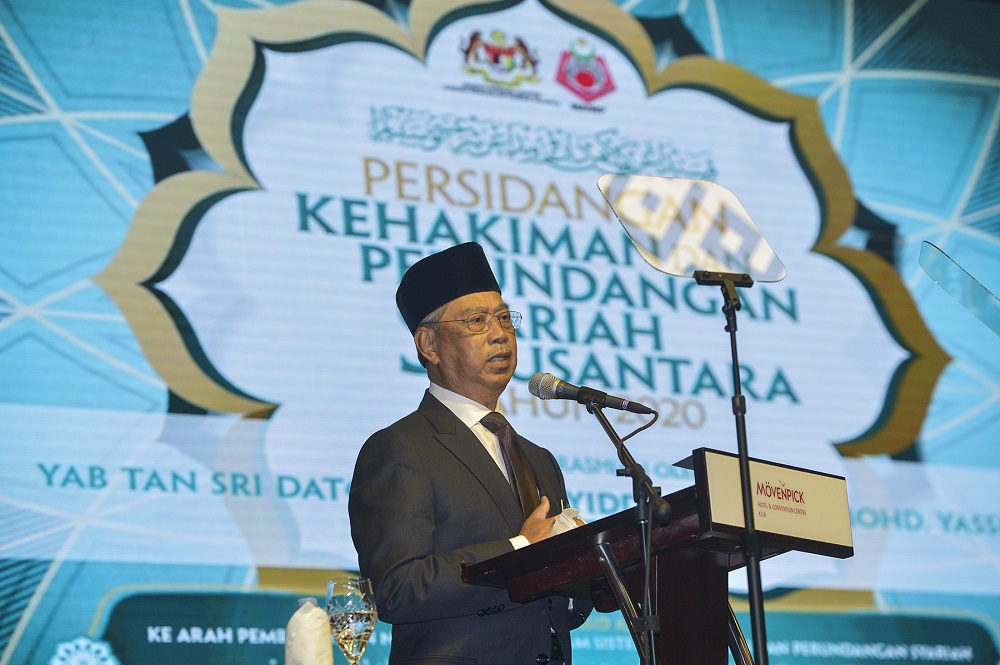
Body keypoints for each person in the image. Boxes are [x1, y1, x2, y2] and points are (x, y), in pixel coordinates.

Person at [349, 242, 592, 665]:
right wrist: (520, 548)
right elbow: (396, 588)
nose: (499, 333)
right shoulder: (400, 448)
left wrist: (581, 569)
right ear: (429, 344)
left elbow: (554, 610)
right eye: (477, 321)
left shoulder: (540, 459)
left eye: (503, 318)